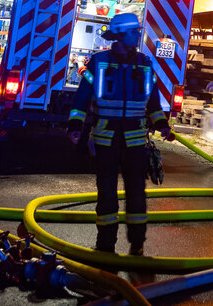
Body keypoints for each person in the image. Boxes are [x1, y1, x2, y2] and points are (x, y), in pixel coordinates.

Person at [67, 13, 175, 256]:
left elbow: (154, 102)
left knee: (137, 192)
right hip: (106, 140)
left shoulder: (145, 64)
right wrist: (76, 126)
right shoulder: (99, 62)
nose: (138, 35)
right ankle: (106, 245)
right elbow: (82, 97)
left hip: (136, 141)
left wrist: (163, 125)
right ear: (120, 35)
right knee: (106, 193)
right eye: (134, 32)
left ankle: (137, 243)